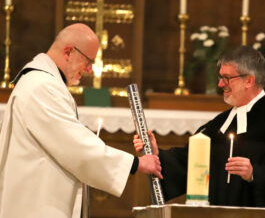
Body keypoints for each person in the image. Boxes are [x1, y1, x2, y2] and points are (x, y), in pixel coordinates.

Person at [0, 23, 162, 218]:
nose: (89, 70)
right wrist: (136, 164)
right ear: (68, 52)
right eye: (88, 61)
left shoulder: (44, 82)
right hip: (35, 205)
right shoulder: (41, 86)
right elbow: (75, 145)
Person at [134, 46, 265, 208]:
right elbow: (189, 162)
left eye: (227, 78)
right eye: (220, 77)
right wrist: (156, 154)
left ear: (249, 80)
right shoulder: (221, 122)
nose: (220, 84)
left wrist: (254, 173)